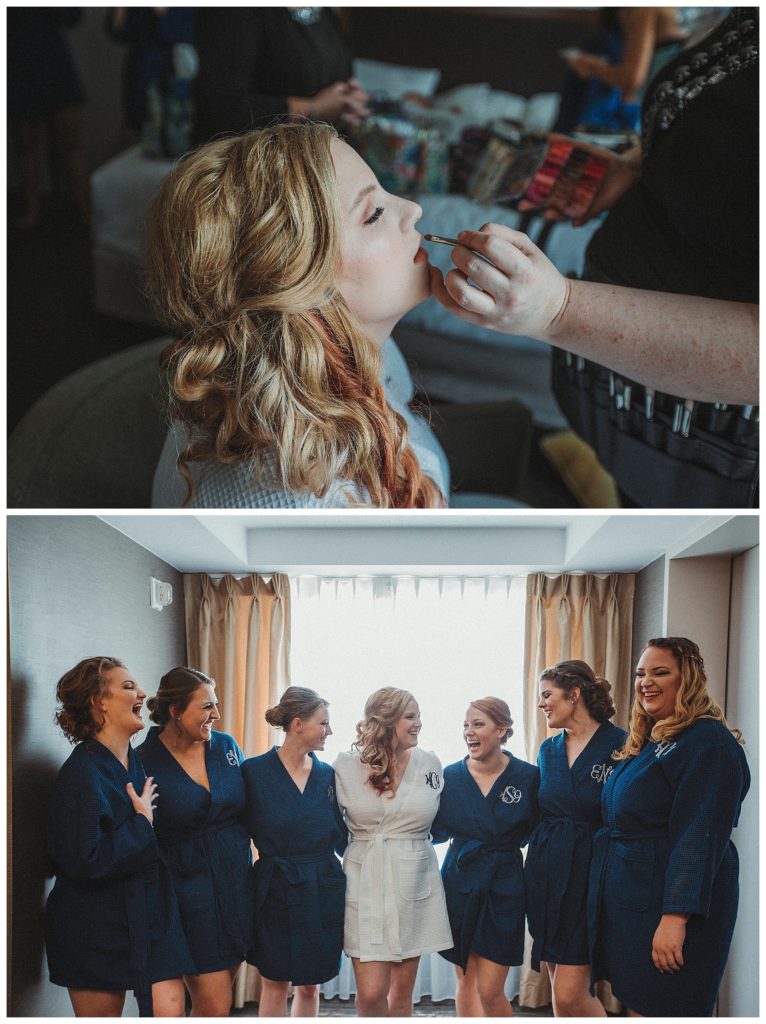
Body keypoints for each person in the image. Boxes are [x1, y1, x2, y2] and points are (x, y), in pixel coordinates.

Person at [430, 8, 758, 508]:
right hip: (624, 418)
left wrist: (560, 310)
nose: (412, 208)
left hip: (705, 457)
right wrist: (639, 167)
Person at [147, 121, 449, 510]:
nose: (413, 209)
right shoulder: (300, 503)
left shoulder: (368, 350)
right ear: (299, 286)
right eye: (373, 213)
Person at [588, 638, 750, 1016]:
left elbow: (699, 834)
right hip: (635, 903)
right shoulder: (654, 739)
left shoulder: (708, 743)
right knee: (638, 1005)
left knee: (664, 1006)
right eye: (641, 673)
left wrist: (675, 919)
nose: (646, 681)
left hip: (668, 910)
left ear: (688, 679)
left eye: (661, 672)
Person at [45, 657, 193, 1017]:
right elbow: (84, 859)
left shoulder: (132, 760)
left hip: (148, 913)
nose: (142, 693)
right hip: (93, 926)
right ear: (99, 701)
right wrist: (142, 822)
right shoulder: (82, 773)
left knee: (171, 1008)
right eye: (128, 687)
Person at [134, 667, 252, 1016]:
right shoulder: (143, 763)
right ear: (175, 711)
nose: (216, 714)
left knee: (216, 998)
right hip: (187, 894)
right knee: (215, 1003)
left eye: (215, 705)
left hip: (236, 883)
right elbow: (142, 833)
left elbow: (248, 807)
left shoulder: (226, 747)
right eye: (206, 707)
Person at [332, 688, 452, 1016]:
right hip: (365, 877)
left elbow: (443, 818)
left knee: (401, 994)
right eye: (410, 717)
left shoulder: (430, 763)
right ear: (385, 721)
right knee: (371, 994)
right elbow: (332, 825)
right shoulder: (345, 766)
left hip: (414, 878)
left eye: (418, 716)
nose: (419, 724)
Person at [524, 661, 626, 1017]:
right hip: (547, 872)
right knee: (558, 988)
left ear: (575, 693)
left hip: (591, 875)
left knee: (570, 995)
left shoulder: (621, 745)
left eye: (547, 695)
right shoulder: (548, 749)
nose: (542, 704)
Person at [241, 687, 347, 1017]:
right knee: (274, 980)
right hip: (275, 887)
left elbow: (344, 832)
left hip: (321, 886)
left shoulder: (328, 774)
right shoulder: (253, 772)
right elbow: (237, 831)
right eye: (324, 723)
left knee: (311, 983)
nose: (329, 730)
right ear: (298, 724)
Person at [432, 698, 539, 1017]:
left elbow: (537, 830)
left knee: (490, 990)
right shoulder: (450, 776)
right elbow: (433, 829)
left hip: (504, 884)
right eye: (466, 725)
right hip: (460, 880)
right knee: (465, 982)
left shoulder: (529, 777)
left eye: (477, 724)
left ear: (501, 729)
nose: (469, 731)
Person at [192, 8, 369, 143]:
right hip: (250, 166)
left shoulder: (325, 12)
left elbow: (338, 74)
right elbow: (220, 105)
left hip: (311, 159)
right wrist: (314, 108)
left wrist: (350, 101)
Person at [8, 8, 90, 228]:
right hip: (17, 62)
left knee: (71, 143)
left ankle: (87, 211)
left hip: (54, 61)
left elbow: (73, 16)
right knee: (26, 143)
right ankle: (33, 209)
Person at [555, 8, 688, 133]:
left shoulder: (644, 9)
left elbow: (631, 80)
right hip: (669, 108)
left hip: (649, 112)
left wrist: (594, 67)